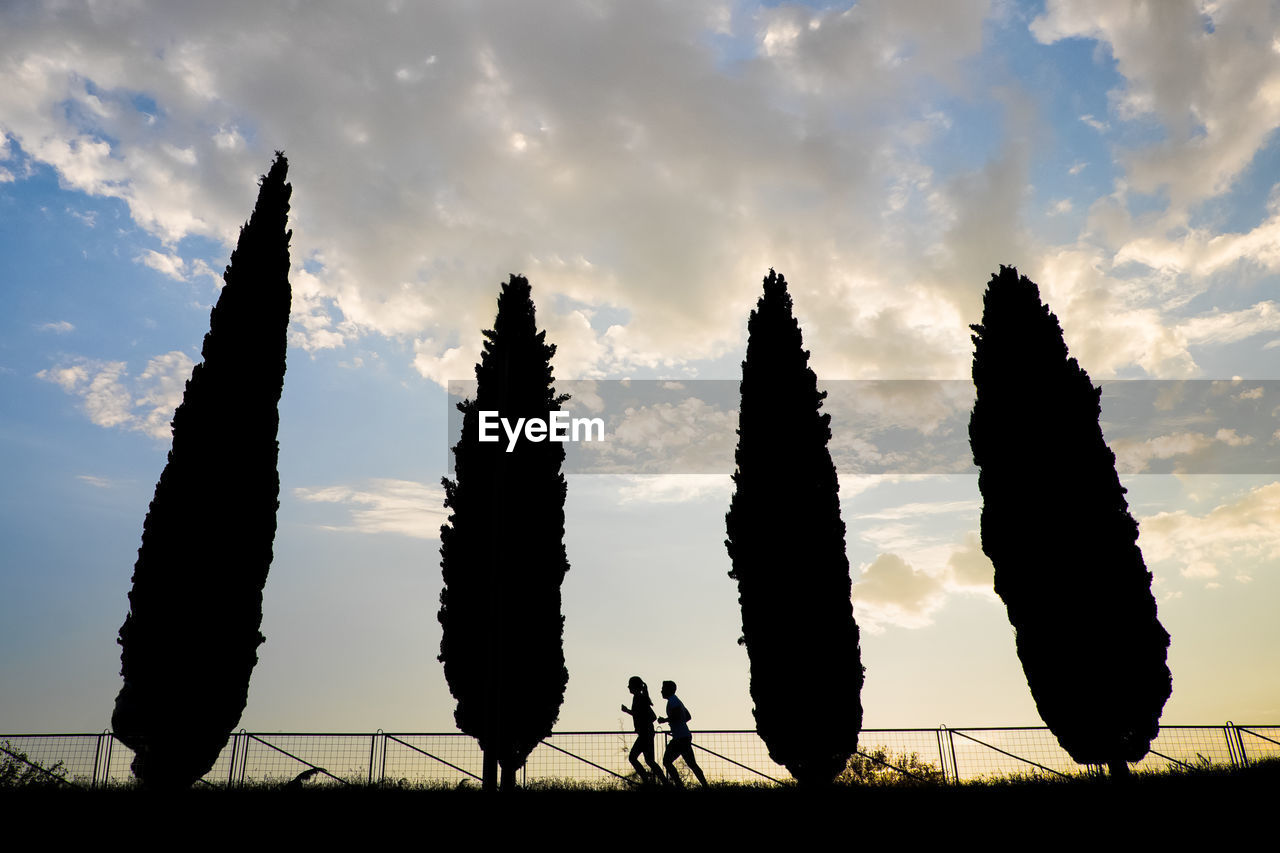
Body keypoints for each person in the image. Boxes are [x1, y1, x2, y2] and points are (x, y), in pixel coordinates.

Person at [657, 679, 707, 787]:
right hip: (684, 735)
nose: (661, 691)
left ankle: (679, 786)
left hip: (680, 738)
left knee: (667, 761)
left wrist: (664, 720)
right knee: (692, 764)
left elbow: (676, 716)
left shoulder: (672, 701)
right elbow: (687, 716)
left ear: (668, 690)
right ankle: (705, 786)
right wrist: (677, 725)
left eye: (663, 689)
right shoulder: (677, 701)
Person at [620, 676, 665, 784]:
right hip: (647, 732)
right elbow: (649, 715)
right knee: (649, 761)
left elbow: (642, 714)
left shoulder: (638, 698)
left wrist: (627, 711)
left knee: (633, 757)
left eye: (630, 686)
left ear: (634, 687)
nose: (629, 688)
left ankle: (647, 780)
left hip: (645, 733)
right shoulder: (641, 697)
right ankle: (663, 782)